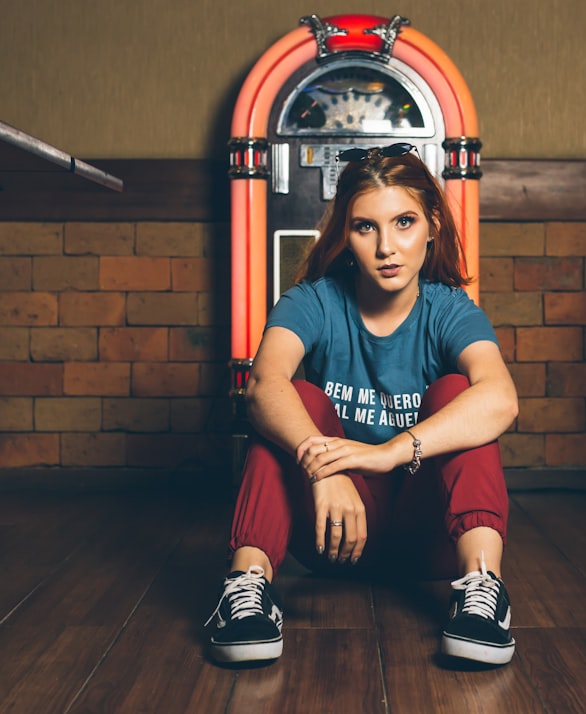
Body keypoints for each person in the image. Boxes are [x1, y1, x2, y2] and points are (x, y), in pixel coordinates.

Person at [206, 143, 519, 666]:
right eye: (365, 227)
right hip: (334, 535)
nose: (387, 247)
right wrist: (323, 465)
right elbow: (263, 385)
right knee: (295, 399)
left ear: (433, 225)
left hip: (431, 541)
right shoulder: (314, 300)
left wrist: (392, 451)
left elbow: (501, 398)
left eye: (403, 222)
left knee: (460, 395)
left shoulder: (448, 309)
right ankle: (246, 591)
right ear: (345, 235)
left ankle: (483, 592)